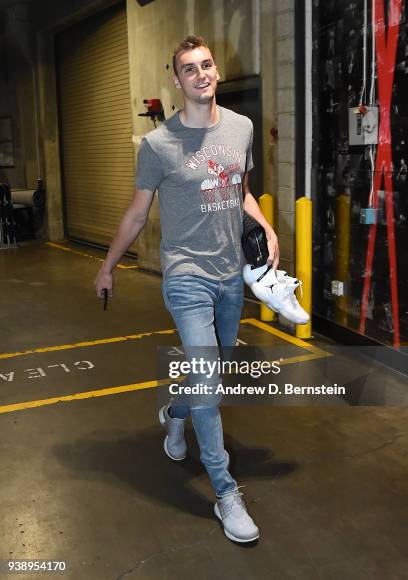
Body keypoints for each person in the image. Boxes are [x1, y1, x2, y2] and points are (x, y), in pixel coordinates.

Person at [95, 35, 279, 543]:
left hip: (229, 273)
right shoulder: (158, 146)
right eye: (189, 69)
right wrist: (108, 265)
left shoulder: (240, 128)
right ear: (176, 81)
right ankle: (226, 493)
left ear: (215, 71)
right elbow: (136, 214)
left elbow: (239, 192)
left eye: (207, 65)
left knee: (208, 376)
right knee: (210, 384)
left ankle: (174, 413)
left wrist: (265, 227)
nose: (201, 74)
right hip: (186, 276)